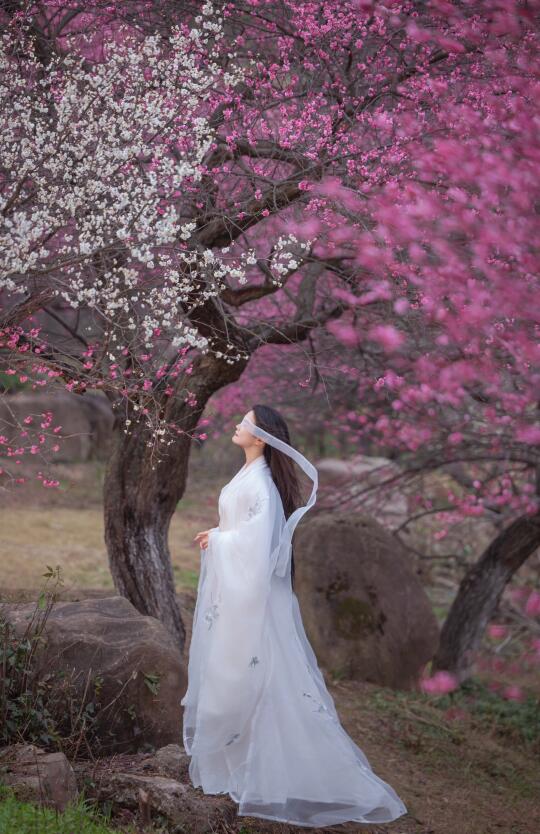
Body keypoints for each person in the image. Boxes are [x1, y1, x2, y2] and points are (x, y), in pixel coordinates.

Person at [182, 404, 407, 828]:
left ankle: (265, 773)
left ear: (262, 437)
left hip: (254, 597)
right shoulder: (249, 476)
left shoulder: (263, 485)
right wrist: (221, 536)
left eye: (245, 422)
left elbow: (256, 545)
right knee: (237, 676)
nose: (237, 424)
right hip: (236, 597)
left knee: (265, 681)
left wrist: (218, 538)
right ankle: (236, 766)